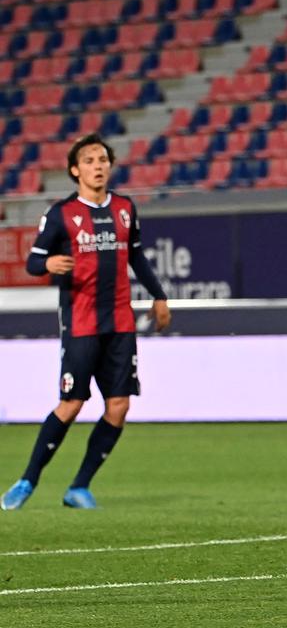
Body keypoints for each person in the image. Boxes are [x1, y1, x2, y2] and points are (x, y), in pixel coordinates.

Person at [1, 134, 171, 511]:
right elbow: (33, 262)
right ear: (75, 170)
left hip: (121, 323)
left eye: (102, 159)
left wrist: (159, 296)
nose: (98, 165)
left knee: (119, 407)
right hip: (80, 323)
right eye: (89, 160)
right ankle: (27, 480)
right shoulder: (61, 214)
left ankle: (79, 487)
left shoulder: (125, 209)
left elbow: (137, 258)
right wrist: (47, 264)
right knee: (71, 404)